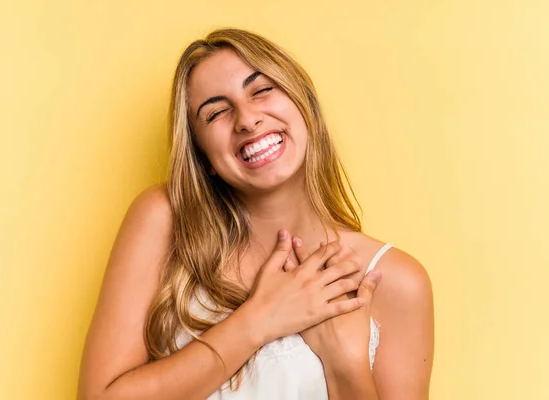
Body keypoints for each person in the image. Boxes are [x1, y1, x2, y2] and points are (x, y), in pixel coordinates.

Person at [78, 28, 434, 400]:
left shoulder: (396, 281)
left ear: (304, 104)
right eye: (216, 111)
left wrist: (346, 367)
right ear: (203, 156)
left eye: (261, 90)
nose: (247, 119)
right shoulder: (164, 220)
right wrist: (259, 320)